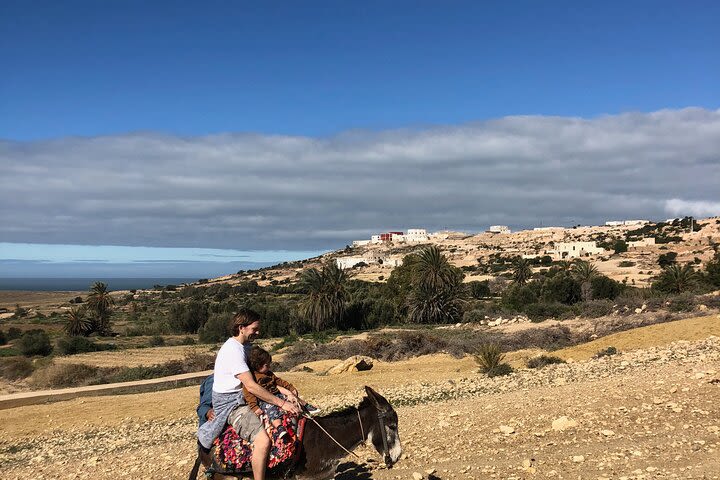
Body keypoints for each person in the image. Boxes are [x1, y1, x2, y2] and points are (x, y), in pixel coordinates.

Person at [197, 309, 301, 480]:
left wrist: (287, 392)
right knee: (263, 441)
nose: (258, 332)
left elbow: (262, 377)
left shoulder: (245, 347)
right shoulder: (233, 351)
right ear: (241, 328)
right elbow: (251, 386)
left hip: (245, 396)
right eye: (254, 329)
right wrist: (282, 403)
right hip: (233, 404)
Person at [243, 346, 320, 440]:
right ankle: (279, 427)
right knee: (272, 411)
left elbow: (279, 382)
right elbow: (249, 394)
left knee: (291, 399)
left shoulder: (269, 374)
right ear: (258, 365)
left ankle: (305, 406)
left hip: (276, 395)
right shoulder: (252, 378)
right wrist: (255, 407)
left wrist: (291, 389)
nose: (269, 367)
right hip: (264, 400)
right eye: (267, 365)